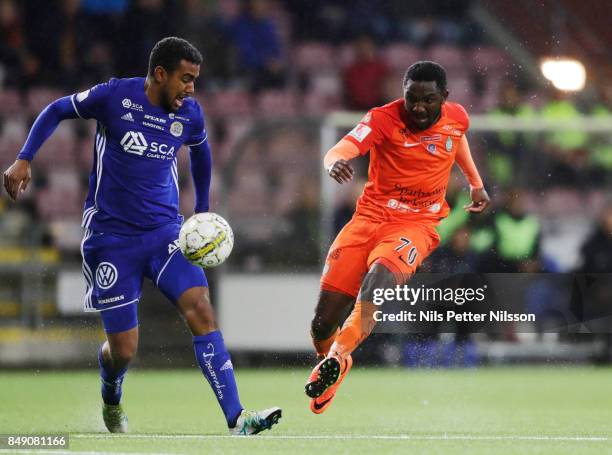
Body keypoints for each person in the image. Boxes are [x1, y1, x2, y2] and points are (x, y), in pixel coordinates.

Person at [2, 37, 281, 436]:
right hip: (111, 239)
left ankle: (237, 419)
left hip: (166, 233)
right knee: (124, 350)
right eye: (185, 79)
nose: (191, 89)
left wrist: (200, 210)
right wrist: (24, 157)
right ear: (160, 74)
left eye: (195, 81)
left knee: (201, 309)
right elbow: (57, 109)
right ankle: (111, 393)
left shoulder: (190, 114)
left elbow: (201, 153)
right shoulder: (115, 97)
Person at [305, 61, 490, 414]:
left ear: (444, 98)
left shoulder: (457, 117)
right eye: (411, 99)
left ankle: (339, 353)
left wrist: (475, 184)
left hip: (416, 226)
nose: (418, 108)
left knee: (376, 284)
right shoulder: (382, 118)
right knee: (321, 323)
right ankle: (336, 362)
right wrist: (333, 163)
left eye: (428, 100)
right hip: (368, 220)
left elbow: (457, 139)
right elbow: (341, 148)